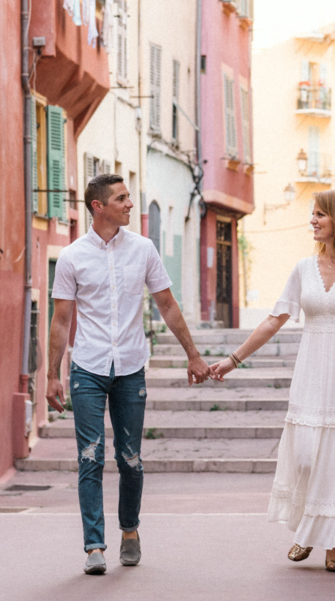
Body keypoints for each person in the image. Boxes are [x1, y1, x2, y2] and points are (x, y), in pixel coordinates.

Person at [211, 189, 335, 573]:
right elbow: (273, 320)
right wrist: (232, 360)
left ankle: (333, 547)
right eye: (313, 214)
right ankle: (306, 529)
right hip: (313, 370)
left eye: (319, 214)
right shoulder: (302, 269)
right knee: (308, 453)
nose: (312, 220)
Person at [46, 174, 215, 576]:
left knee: (131, 459)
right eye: (121, 198)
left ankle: (130, 530)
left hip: (130, 367)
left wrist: (193, 355)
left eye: (128, 196)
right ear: (97, 206)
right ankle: (93, 547)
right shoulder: (71, 257)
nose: (129, 204)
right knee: (90, 457)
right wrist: (51, 374)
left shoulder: (143, 249)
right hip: (87, 367)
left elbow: (168, 306)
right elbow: (60, 321)